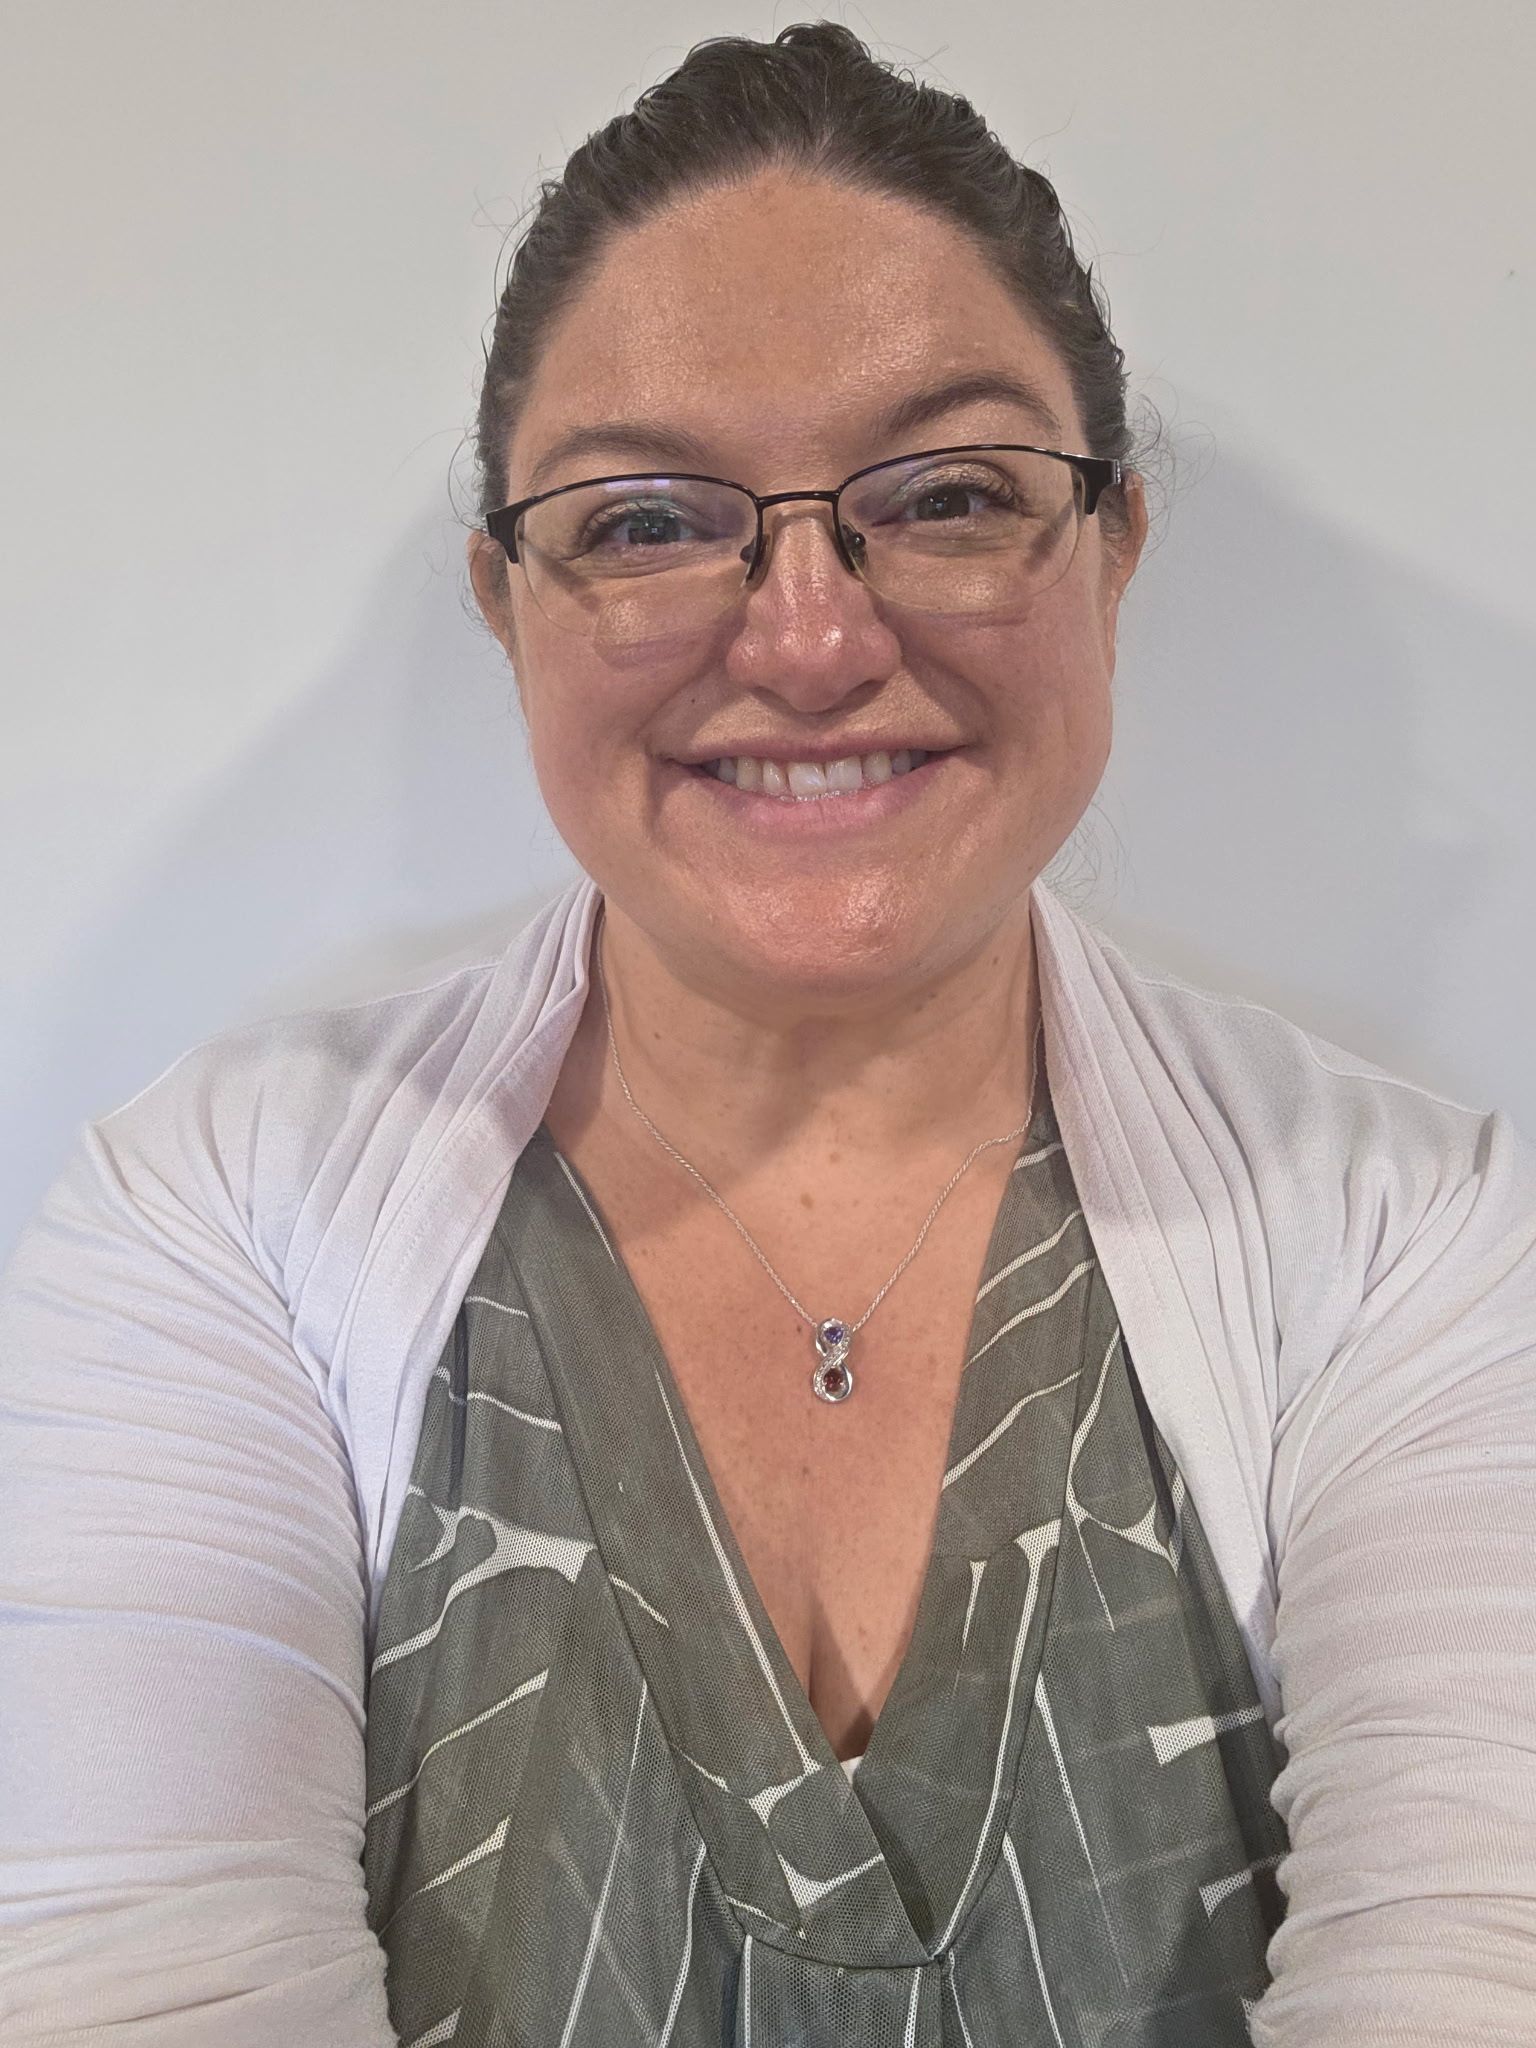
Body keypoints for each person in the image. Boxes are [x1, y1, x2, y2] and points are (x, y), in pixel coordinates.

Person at [2, 21, 1534, 2047]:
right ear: (508, 600)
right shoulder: (219, 1219)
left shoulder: (1412, 1240)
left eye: (952, 492)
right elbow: (133, 1987)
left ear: (1112, 550)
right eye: (646, 519)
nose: (809, 634)